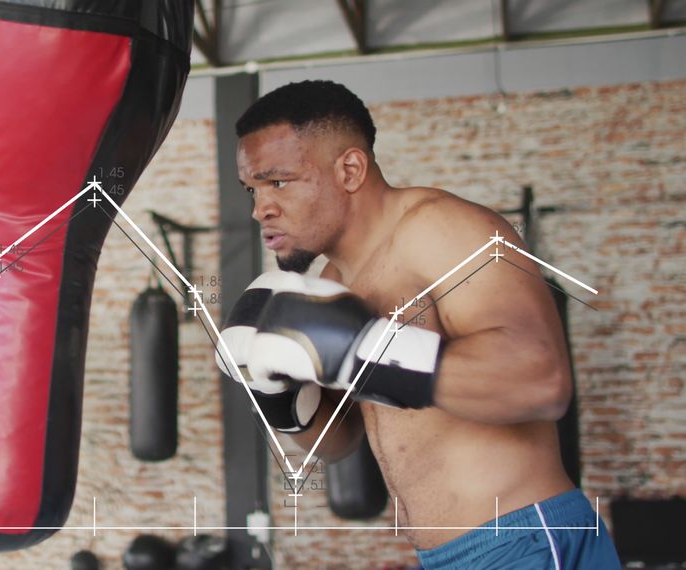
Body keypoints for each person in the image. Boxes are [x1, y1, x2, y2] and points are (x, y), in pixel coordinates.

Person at [216, 80, 620, 568]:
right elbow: (341, 442)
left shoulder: (440, 229)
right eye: (252, 189)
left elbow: (542, 380)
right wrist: (276, 394)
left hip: (524, 540)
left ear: (349, 169)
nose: (261, 208)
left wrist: (361, 349)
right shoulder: (335, 280)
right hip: (446, 555)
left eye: (277, 181)